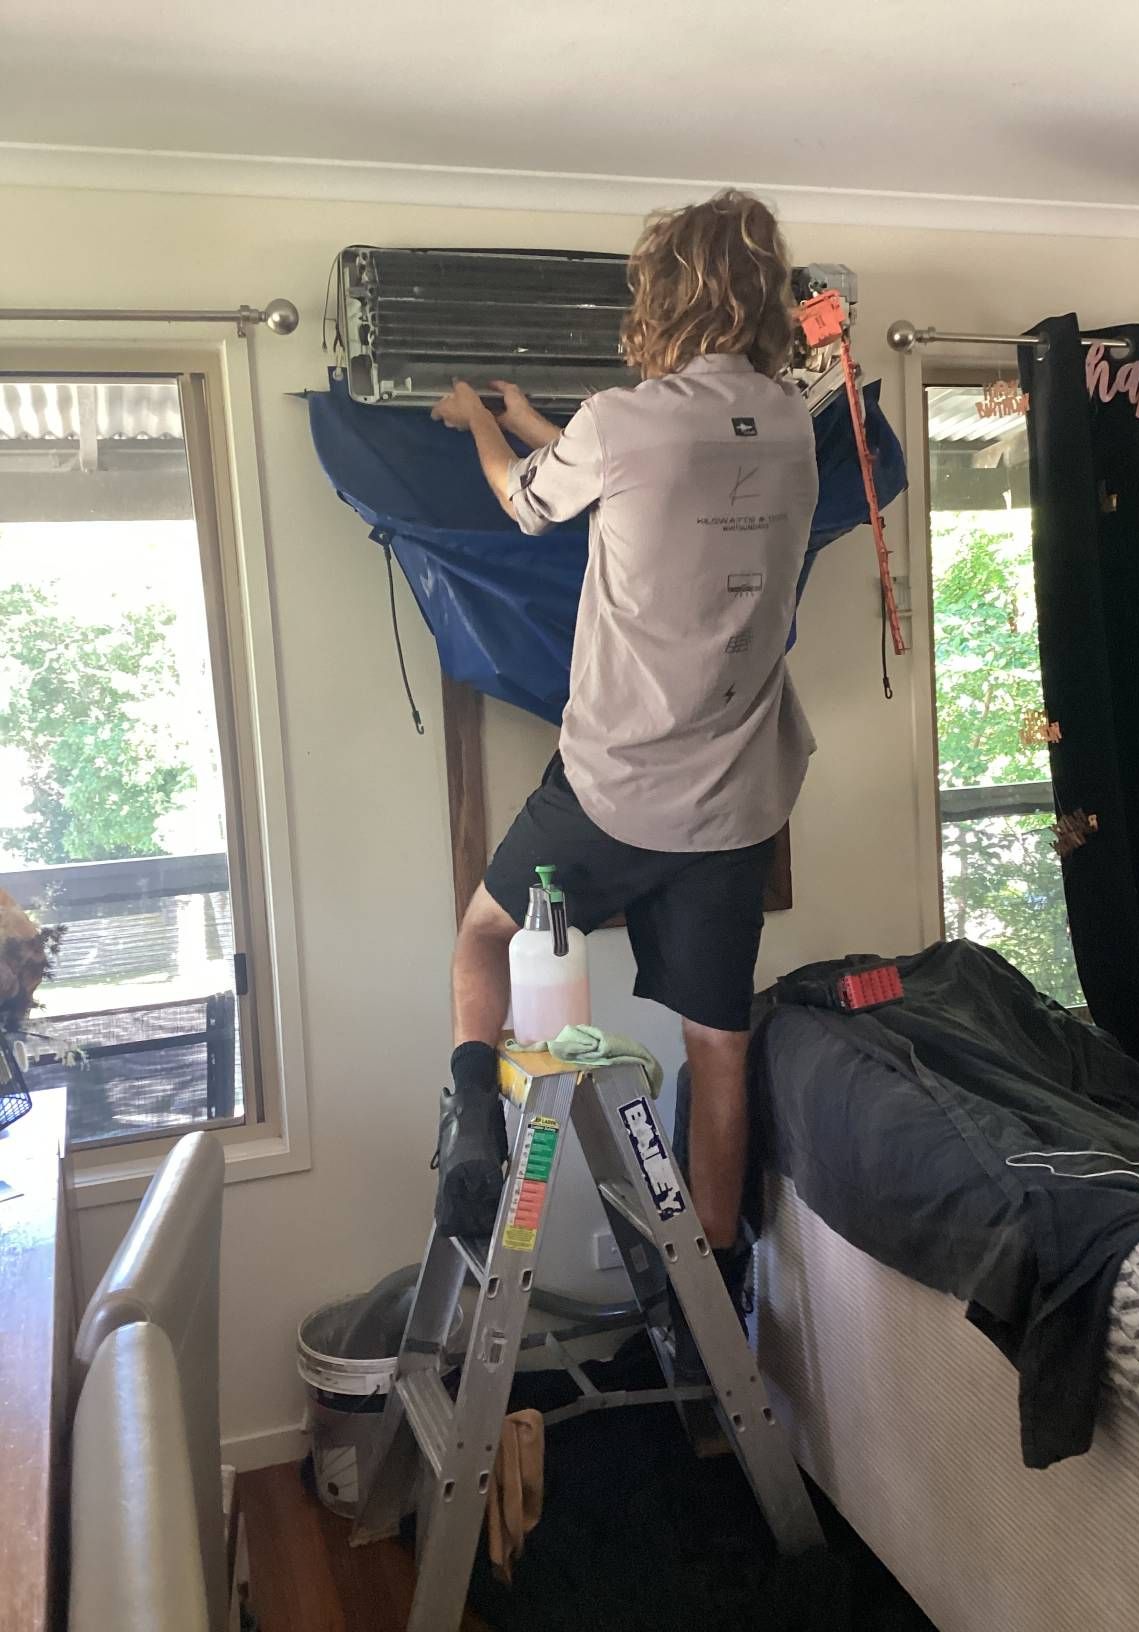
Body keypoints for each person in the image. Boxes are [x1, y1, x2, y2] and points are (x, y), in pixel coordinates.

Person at [430, 191, 819, 1319]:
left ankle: (470, 1114)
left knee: (484, 933)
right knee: (720, 1046)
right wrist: (562, 427)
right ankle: (708, 1284)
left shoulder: (624, 419)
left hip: (611, 791)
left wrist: (485, 420)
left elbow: (524, 505)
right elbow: (671, 483)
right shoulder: (792, 422)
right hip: (738, 803)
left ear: (667, 296)